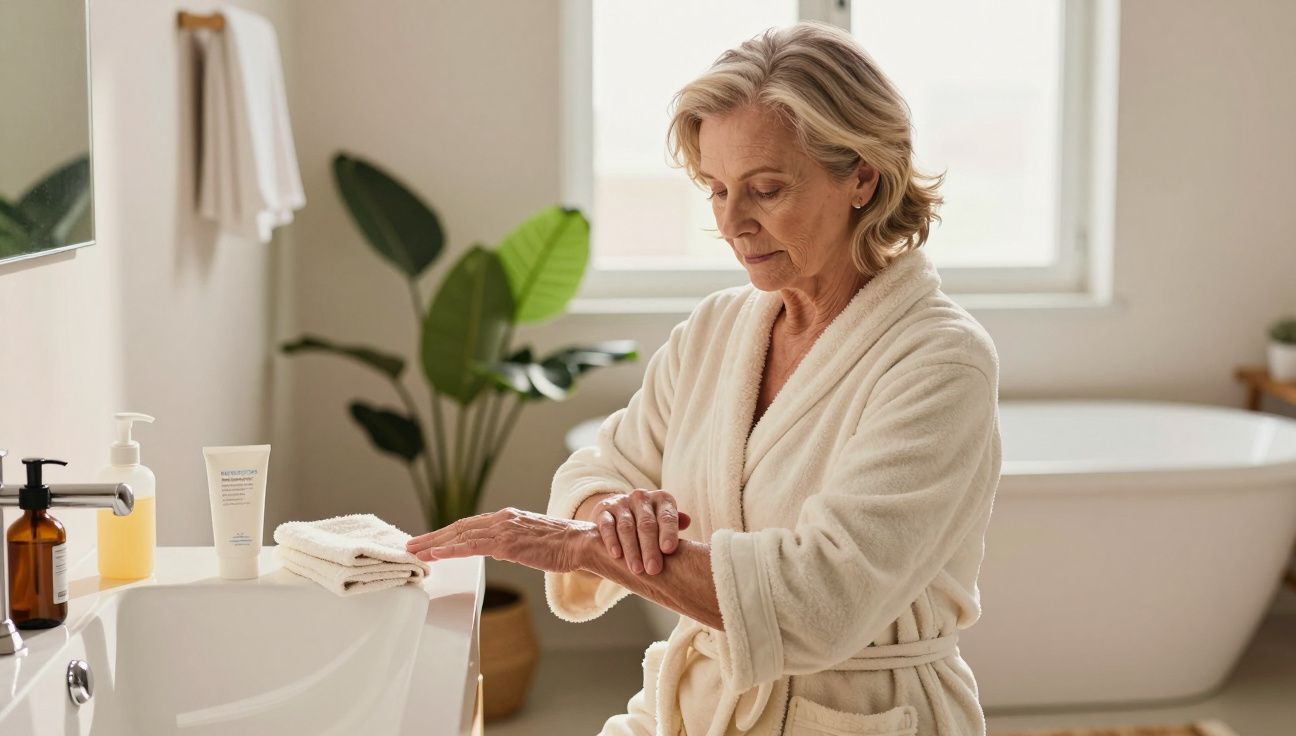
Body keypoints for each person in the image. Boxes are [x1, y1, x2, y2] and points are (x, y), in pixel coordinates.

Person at [407, 21, 1001, 736]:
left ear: (863, 177)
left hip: (862, 715)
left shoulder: (939, 361)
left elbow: (820, 601)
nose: (733, 222)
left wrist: (581, 544)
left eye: (767, 189)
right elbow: (600, 468)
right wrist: (617, 514)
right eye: (717, 190)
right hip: (696, 705)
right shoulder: (719, 329)